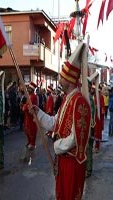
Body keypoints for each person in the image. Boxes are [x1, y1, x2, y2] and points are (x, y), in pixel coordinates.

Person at [30, 43, 91, 200]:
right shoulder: (66, 99)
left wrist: (57, 146)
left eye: (61, 77)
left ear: (69, 80)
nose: (59, 79)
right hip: (63, 160)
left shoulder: (79, 102)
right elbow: (54, 122)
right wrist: (39, 113)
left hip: (72, 163)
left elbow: (76, 137)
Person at [21, 82, 38, 162]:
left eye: (29, 88)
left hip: (31, 119)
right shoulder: (30, 96)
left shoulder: (33, 97)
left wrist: (24, 107)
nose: (27, 89)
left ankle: (30, 155)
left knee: (31, 133)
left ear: (32, 89)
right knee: (28, 133)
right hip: (28, 118)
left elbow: (27, 107)